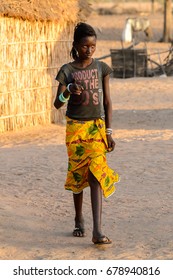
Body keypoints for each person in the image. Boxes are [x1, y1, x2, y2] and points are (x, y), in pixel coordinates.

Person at [54, 22, 119, 245]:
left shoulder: (101, 68)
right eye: (84, 46)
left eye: (92, 46)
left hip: (96, 128)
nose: (89, 50)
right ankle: (79, 218)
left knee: (96, 176)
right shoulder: (67, 71)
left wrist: (109, 131)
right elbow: (56, 104)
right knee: (78, 174)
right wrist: (69, 91)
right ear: (76, 45)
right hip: (75, 129)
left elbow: (108, 102)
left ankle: (98, 230)